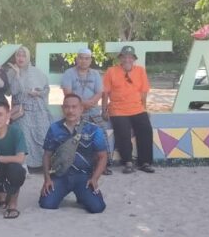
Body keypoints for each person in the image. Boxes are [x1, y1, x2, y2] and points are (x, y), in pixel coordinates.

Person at [38, 94, 108, 213]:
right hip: (60, 176)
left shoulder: (94, 130)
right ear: (62, 108)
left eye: (74, 107)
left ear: (81, 108)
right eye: (67, 107)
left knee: (97, 207)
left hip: (84, 177)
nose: (70, 110)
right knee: (47, 203)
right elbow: (47, 155)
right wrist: (47, 179)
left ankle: (83, 195)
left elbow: (103, 156)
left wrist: (95, 179)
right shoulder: (54, 129)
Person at [102, 46, 154, 174]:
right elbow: (105, 92)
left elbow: (143, 92)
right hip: (118, 109)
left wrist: (144, 109)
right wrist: (103, 110)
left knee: (146, 130)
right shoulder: (111, 71)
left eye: (130, 57)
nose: (127, 59)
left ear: (134, 59)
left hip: (137, 108)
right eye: (124, 56)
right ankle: (128, 162)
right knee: (122, 133)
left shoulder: (140, 71)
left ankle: (145, 163)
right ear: (120, 58)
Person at [60, 48, 108, 173]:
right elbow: (68, 94)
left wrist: (90, 103)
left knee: (101, 132)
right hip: (74, 111)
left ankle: (104, 165)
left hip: (93, 110)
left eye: (86, 58)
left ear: (90, 60)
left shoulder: (95, 74)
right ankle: (81, 164)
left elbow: (99, 92)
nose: (83, 61)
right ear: (76, 59)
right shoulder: (69, 73)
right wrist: (81, 105)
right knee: (78, 135)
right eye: (81, 58)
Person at [9, 46, 52, 168]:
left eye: (23, 55)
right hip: (22, 110)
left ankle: (43, 164)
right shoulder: (11, 72)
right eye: (18, 55)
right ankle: (24, 165)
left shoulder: (36, 72)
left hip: (38, 109)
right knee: (23, 136)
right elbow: (13, 91)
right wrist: (17, 76)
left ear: (27, 57)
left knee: (42, 135)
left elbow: (46, 89)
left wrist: (37, 93)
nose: (21, 58)